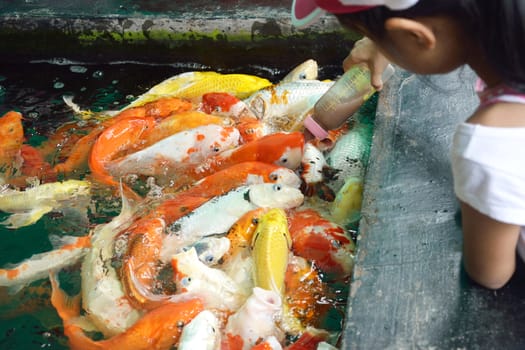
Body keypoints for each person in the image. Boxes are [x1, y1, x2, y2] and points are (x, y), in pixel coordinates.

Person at [292, 0, 525, 290]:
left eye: (375, 37)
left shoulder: (490, 142)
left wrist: (478, 202)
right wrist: (386, 44)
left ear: (417, 36)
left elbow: (491, 273)